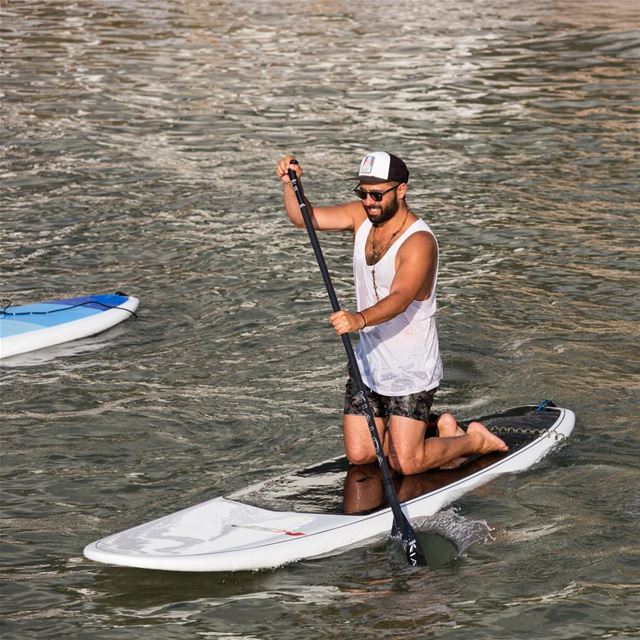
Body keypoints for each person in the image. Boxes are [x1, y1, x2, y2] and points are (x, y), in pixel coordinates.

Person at [276, 151, 507, 475]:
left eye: (377, 194)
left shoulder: (419, 242)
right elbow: (305, 219)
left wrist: (359, 319)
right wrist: (291, 185)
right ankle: (432, 431)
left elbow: (400, 298)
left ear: (401, 190)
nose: (368, 201)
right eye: (362, 193)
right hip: (369, 361)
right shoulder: (360, 218)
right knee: (360, 455)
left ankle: (474, 441)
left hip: (411, 368)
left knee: (405, 464)